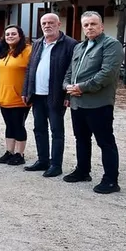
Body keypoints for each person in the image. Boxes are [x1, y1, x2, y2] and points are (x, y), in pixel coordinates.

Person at [62, 11, 123, 194]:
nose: (89, 27)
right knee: (81, 139)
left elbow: (107, 74)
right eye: (86, 25)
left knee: (105, 142)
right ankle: (82, 171)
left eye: (93, 24)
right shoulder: (79, 47)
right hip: (77, 103)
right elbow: (70, 72)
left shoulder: (111, 45)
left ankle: (111, 180)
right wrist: (67, 87)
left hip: (98, 104)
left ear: (101, 26)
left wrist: (82, 87)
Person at [21, 13, 77, 177]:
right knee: (39, 129)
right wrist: (26, 90)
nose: (47, 25)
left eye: (51, 22)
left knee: (56, 131)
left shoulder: (70, 44)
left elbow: (73, 72)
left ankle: (56, 165)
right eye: (44, 23)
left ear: (59, 24)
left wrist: (68, 96)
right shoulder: (38, 43)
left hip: (56, 95)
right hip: (37, 95)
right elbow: (30, 68)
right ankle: (42, 160)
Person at [0, 25, 33, 166]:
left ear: (20, 36)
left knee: (18, 125)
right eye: (7, 34)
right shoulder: (5, 52)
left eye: (13, 34)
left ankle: (19, 154)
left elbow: (31, 72)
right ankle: (9, 151)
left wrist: (28, 92)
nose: (10, 36)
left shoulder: (28, 50)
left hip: (19, 97)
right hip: (4, 96)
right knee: (9, 125)